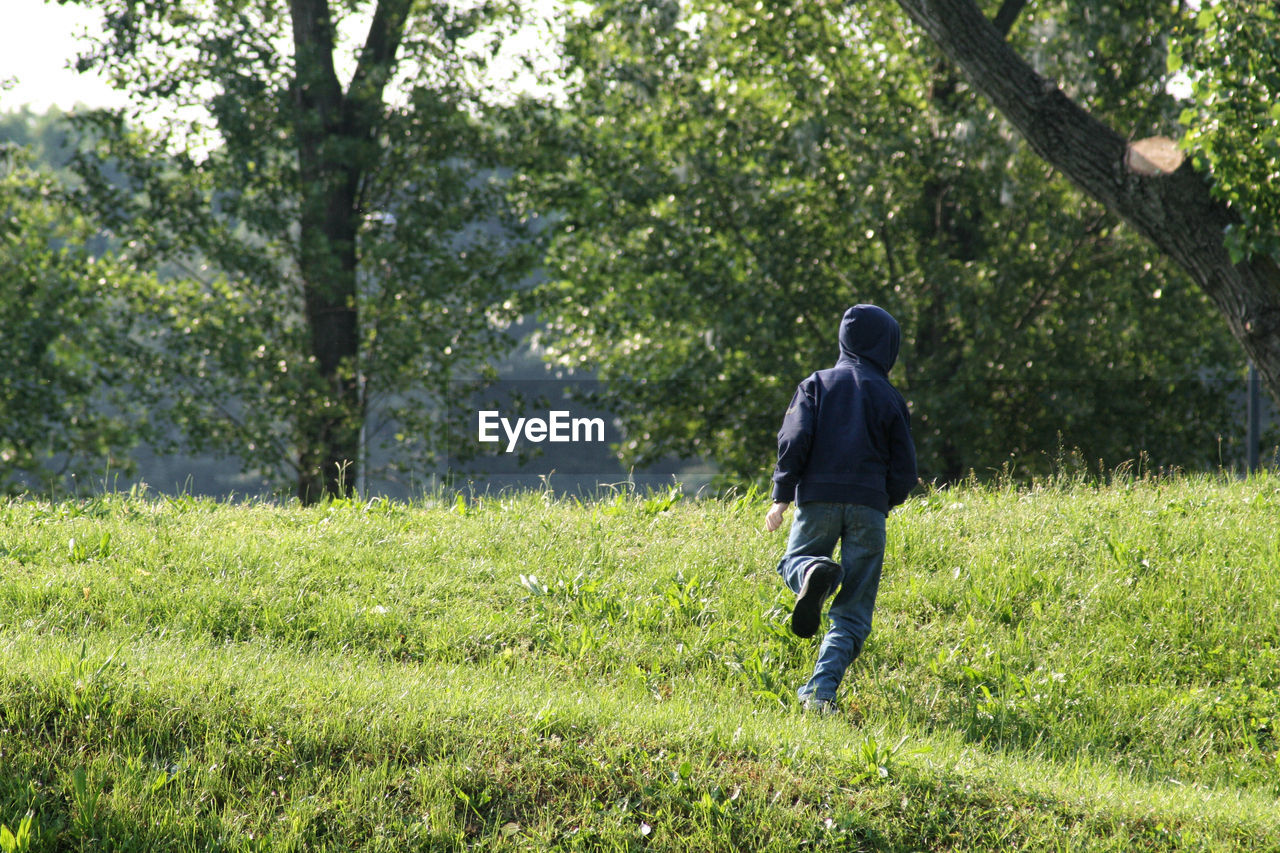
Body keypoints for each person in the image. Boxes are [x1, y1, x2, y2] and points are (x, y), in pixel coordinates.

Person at [764, 304, 917, 714]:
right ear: (889, 347)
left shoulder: (816, 384)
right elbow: (905, 469)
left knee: (795, 560)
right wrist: (885, 499)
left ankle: (812, 573)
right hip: (869, 506)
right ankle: (819, 694)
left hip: (818, 498)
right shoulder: (890, 397)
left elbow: (793, 440)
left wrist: (782, 494)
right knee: (852, 612)